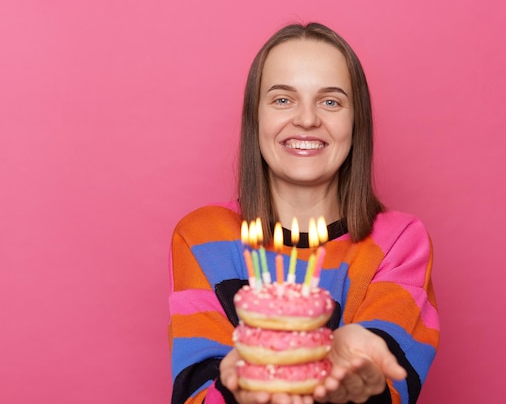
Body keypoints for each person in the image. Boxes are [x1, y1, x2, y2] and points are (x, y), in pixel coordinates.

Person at [168, 22, 439, 404]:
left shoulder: (401, 241)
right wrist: (235, 386)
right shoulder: (201, 238)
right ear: (255, 118)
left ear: (355, 120)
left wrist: (358, 377)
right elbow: (194, 394)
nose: (307, 119)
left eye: (331, 101)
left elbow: (391, 383)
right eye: (282, 99)